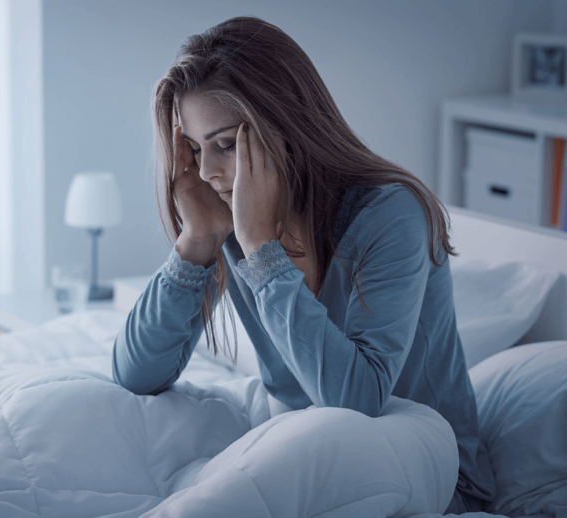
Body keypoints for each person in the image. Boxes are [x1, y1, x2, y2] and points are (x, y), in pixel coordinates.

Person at [112, 16, 495, 514]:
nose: (206, 172)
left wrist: (261, 250)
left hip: (431, 474)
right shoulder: (229, 219)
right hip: (305, 458)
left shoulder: (391, 215)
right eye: (195, 150)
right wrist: (197, 238)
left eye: (225, 145)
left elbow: (356, 403)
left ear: (288, 127)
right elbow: (136, 375)